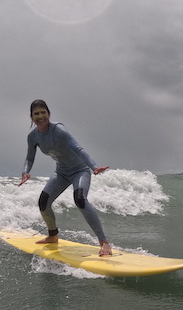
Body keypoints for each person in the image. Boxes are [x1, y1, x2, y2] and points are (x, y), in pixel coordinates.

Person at [17, 99, 113, 256]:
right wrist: (25, 172)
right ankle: (53, 235)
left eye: (43, 112)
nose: (40, 116)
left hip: (80, 171)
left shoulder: (59, 130)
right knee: (43, 202)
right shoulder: (33, 137)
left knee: (80, 200)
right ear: (31, 117)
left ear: (49, 114)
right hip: (61, 172)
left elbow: (78, 149)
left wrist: (93, 166)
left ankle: (104, 243)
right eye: (36, 114)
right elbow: (29, 158)